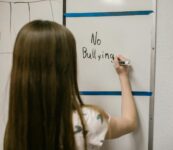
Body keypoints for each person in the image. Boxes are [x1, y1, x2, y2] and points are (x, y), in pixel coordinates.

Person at [4, 20, 138, 150]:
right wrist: (123, 76)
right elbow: (129, 122)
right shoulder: (88, 122)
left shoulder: (16, 127)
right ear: (66, 67)